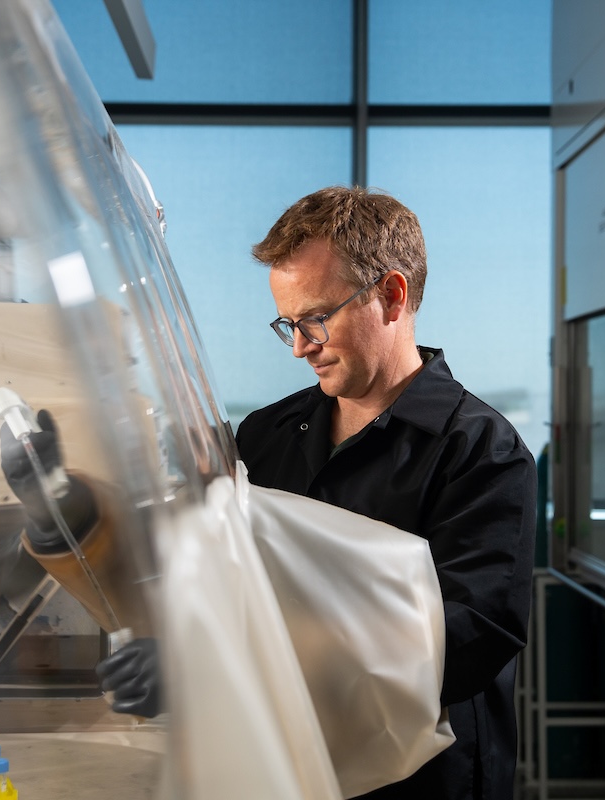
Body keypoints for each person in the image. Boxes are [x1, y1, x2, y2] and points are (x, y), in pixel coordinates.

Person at [234, 185, 536, 799]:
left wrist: (263, 663)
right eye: (287, 324)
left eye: (317, 318)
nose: (300, 346)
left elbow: (467, 638)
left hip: (423, 781)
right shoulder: (266, 434)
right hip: (290, 764)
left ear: (391, 296)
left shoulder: (481, 452)